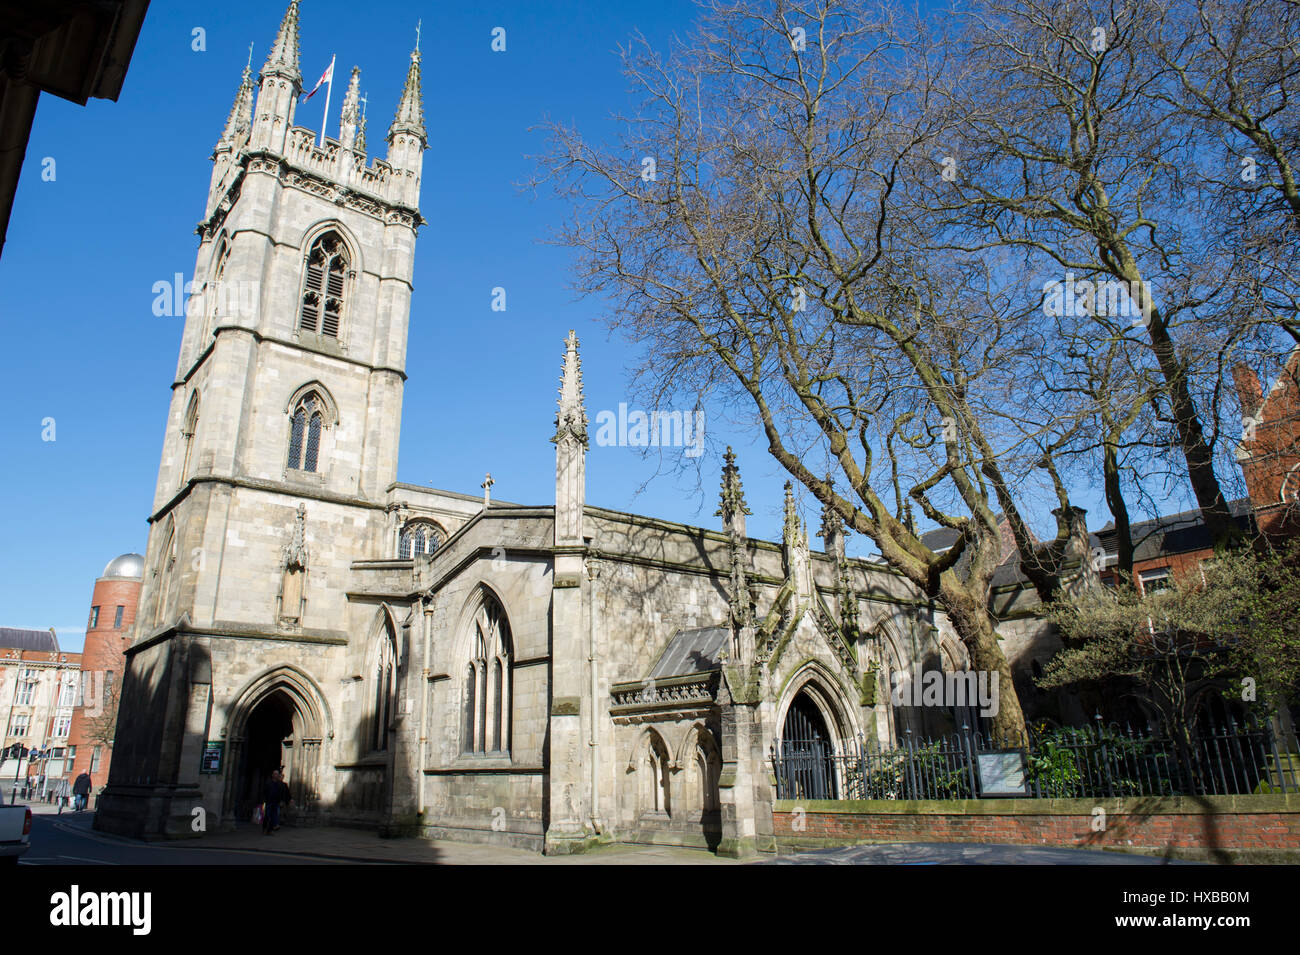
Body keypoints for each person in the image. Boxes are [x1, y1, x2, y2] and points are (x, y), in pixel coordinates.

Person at [261, 770, 291, 835]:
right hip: (269, 801)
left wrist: (282, 801)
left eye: (277, 774)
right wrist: (263, 801)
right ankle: (265, 828)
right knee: (267, 816)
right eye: (275, 774)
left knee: (274, 816)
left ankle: (270, 830)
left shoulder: (280, 784)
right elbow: (264, 792)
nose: (276, 775)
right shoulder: (268, 783)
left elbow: (282, 793)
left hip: (276, 802)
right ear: (272, 775)